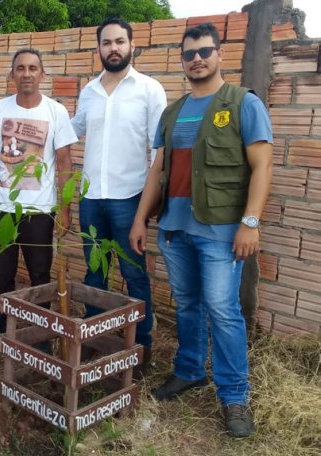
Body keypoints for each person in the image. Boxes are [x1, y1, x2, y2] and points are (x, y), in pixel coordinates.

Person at [128, 23, 272, 437]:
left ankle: (234, 396)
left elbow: (262, 165)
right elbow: (157, 170)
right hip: (175, 228)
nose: (197, 59)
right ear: (182, 60)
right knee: (188, 304)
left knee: (224, 312)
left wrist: (250, 223)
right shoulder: (172, 112)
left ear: (219, 54)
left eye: (204, 51)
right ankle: (190, 370)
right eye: (189, 53)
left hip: (221, 231)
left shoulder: (242, 103)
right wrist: (141, 219)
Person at [71, 18, 167, 371]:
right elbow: (73, 130)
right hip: (92, 199)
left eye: (119, 41)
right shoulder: (89, 91)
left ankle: (139, 349)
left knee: (134, 274)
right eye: (106, 42)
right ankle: (95, 342)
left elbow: (161, 149)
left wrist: (148, 206)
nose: (113, 48)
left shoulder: (149, 89)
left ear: (131, 45)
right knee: (95, 274)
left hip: (129, 198)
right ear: (98, 48)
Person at [0, 48, 78, 348]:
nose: (27, 73)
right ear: (12, 74)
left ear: (42, 74)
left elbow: (65, 162)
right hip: (2, 207)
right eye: (20, 68)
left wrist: (65, 209)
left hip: (39, 211)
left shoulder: (55, 112)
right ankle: (3, 327)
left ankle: (41, 332)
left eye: (33, 68)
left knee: (40, 273)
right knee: (2, 274)